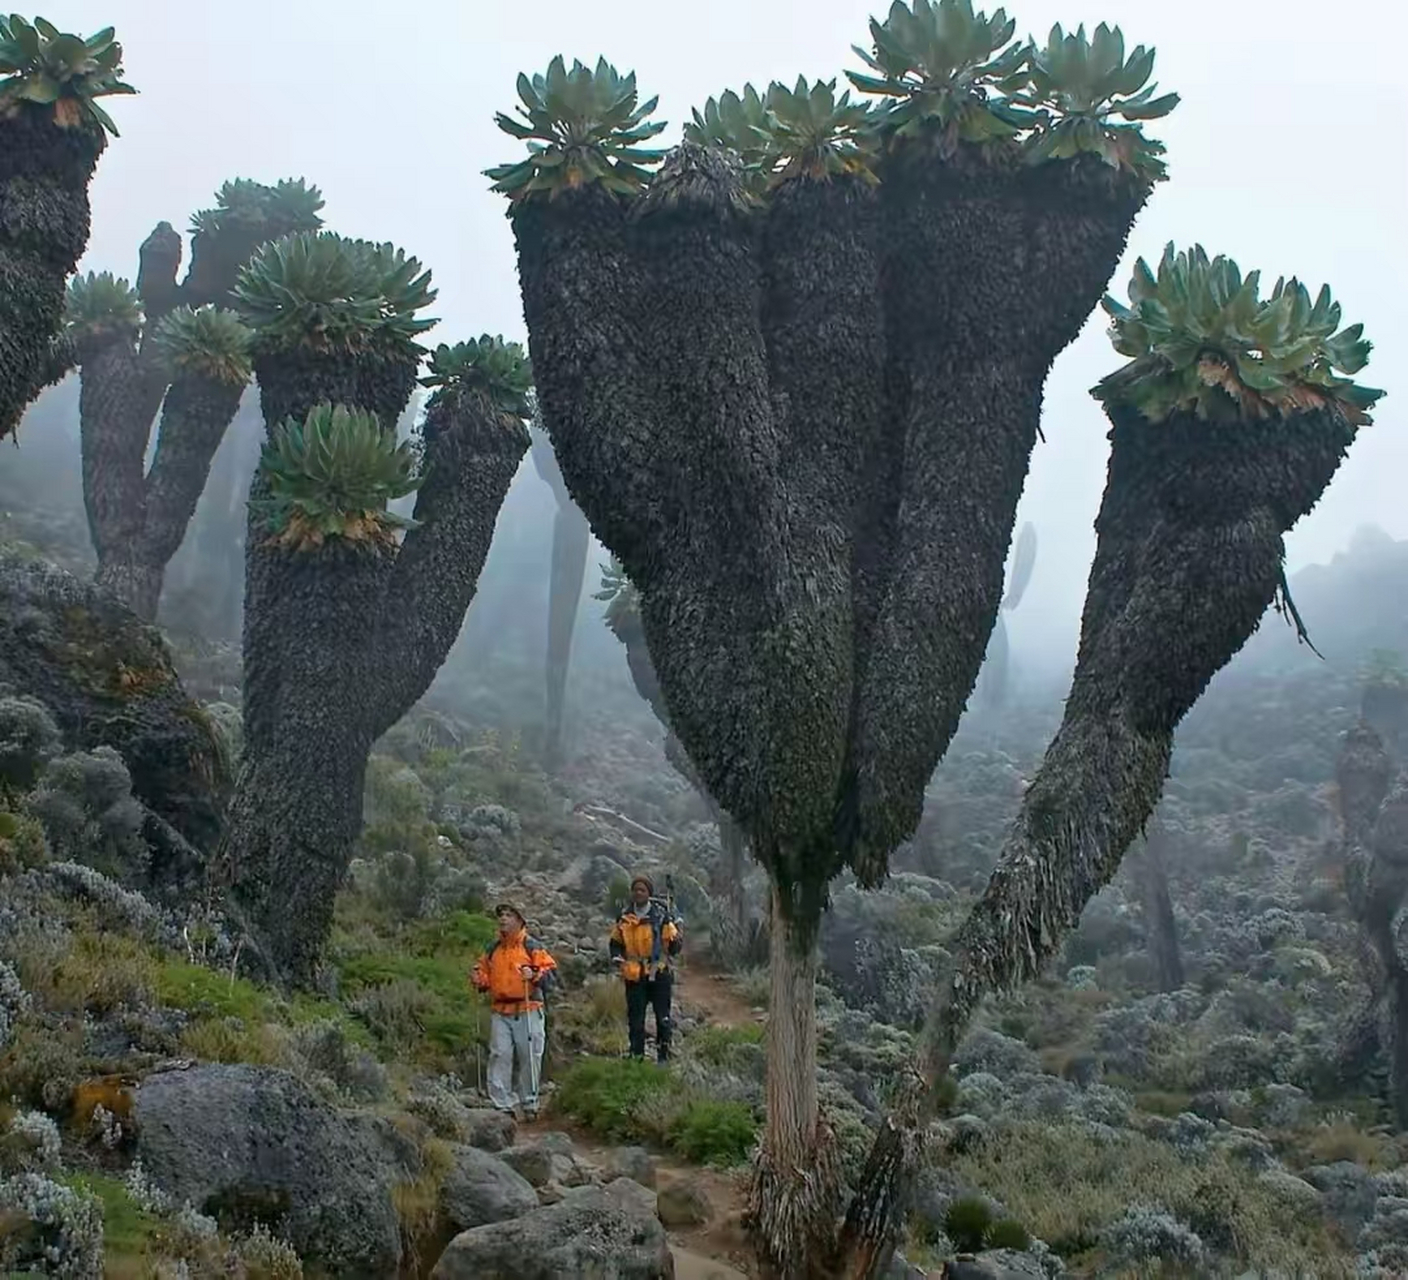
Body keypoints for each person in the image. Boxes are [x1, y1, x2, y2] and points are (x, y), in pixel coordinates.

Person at [471, 903, 557, 1118]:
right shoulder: (493, 949)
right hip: (501, 1010)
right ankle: (502, 1105)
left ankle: (530, 1103)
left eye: (509, 915)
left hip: (528, 1007)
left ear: (520, 920)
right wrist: (479, 979)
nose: (503, 919)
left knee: (529, 1056)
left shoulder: (531, 946)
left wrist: (534, 974)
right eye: (501, 915)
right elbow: (483, 972)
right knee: (500, 1054)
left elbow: (550, 975)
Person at [609, 875, 682, 1063]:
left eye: (642, 889)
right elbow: (615, 943)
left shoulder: (661, 917)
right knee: (635, 1019)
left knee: (663, 1017)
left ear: (649, 893)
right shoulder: (624, 918)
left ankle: (663, 1058)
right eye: (635, 889)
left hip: (659, 972)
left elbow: (673, 947)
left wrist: (675, 940)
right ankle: (636, 1057)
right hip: (634, 975)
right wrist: (616, 957)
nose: (638, 893)